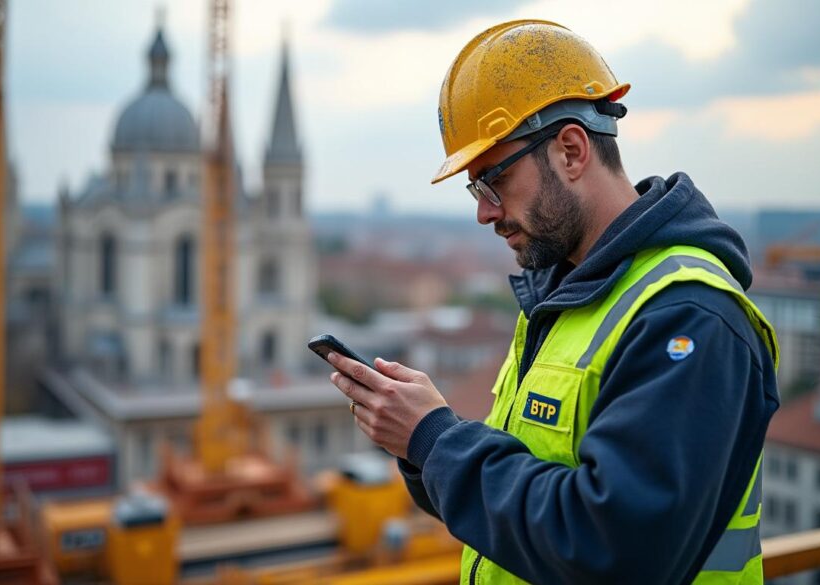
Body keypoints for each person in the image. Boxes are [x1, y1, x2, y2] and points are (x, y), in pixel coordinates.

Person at [326, 19, 779, 584]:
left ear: (570, 150)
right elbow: (524, 499)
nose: (484, 213)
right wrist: (421, 444)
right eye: (475, 190)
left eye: (494, 180)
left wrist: (436, 437)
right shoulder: (567, 300)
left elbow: (610, 548)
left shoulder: (686, 315)